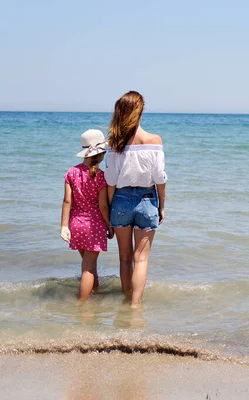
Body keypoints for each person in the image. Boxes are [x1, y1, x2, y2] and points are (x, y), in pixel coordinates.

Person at [105, 91, 167, 306]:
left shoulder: (114, 143)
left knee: (125, 258)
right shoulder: (154, 140)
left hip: (120, 200)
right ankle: (134, 306)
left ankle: (125, 299)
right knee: (141, 259)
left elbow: (110, 181)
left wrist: (110, 208)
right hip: (148, 199)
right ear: (140, 112)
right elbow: (160, 178)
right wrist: (162, 206)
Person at [60, 129, 114, 301]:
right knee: (88, 267)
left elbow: (67, 201)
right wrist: (109, 224)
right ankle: (82, 304)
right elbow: (103, 206)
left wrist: (64, 226)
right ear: (100, 155)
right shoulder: (100, 177)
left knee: (89, 263)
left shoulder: (71, 172)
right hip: (94, 226)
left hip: (76, 224)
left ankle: (95, 292)